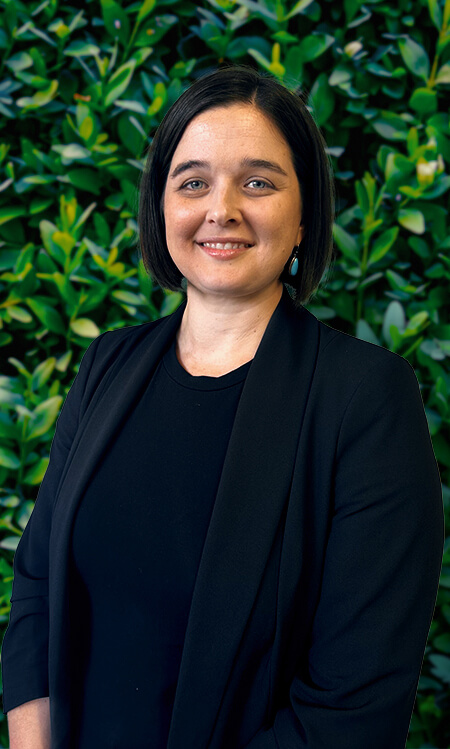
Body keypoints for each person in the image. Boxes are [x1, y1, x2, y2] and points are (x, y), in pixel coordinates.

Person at [1, 64, 444, 749]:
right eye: (193, 182)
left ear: (304, 217)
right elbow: (38, 586)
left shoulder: (365, 398)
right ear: (162, 207)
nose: (222, 208)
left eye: (258, 182)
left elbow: (353, 707)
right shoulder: (108, 366)